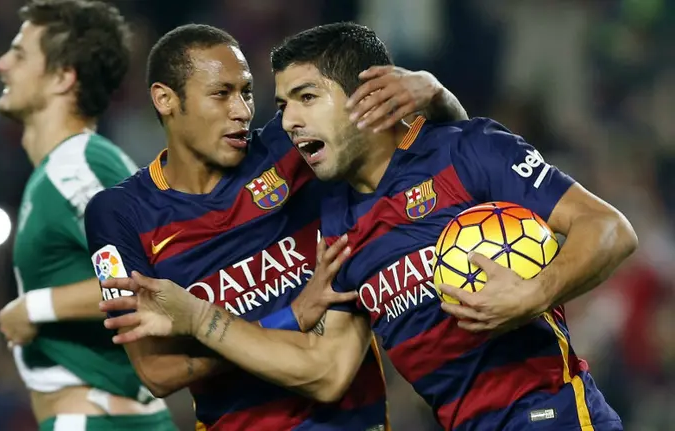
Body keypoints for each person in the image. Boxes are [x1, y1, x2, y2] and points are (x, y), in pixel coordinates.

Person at [101, 23, 637, 431]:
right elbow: (330, 366)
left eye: (306, 98)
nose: (279, 120)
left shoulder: (467, 150)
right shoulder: (336, 219)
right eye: (283, 104)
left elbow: (611, 229)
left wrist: (531, 294)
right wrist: (233, 316)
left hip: (550, 413)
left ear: (366, 97)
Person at [84, 23, 468, 430]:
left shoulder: (291, 151)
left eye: (246, 92)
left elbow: (442, 149)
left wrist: (437, 95)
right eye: (221, 94)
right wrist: (292, 315)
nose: (243, 111)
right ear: (165, 99)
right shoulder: (119, 214)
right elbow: (157, 374)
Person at [0, 1, 175, 430]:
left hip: (98, 419)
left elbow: (148, 278)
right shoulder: (61, 169)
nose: (1, 64)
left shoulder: (77, 167)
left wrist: (34, 306)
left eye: (19, 54)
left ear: (62, 77)